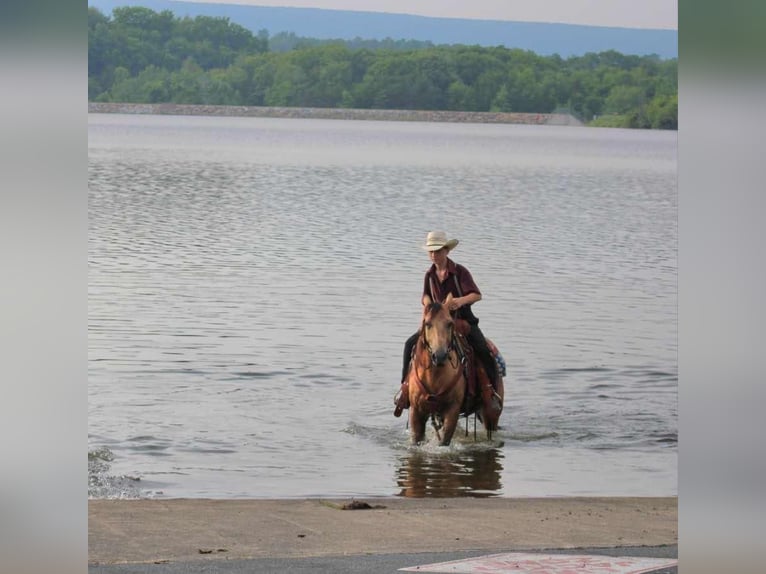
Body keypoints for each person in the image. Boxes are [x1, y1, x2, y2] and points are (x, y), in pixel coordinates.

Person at [394, 231, 500, 417]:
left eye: (437, 251)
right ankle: (405, 388)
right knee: (409, 345)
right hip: (436, 325)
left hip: (463, 321)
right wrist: (424, 321)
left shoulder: (460, 272)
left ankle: (490, 392)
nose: (434, 255)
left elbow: (477, 295)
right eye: (431, 251)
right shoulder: (429, 275)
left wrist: (460, 301)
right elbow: (425, 298)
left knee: (482, 350)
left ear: (446, 251)